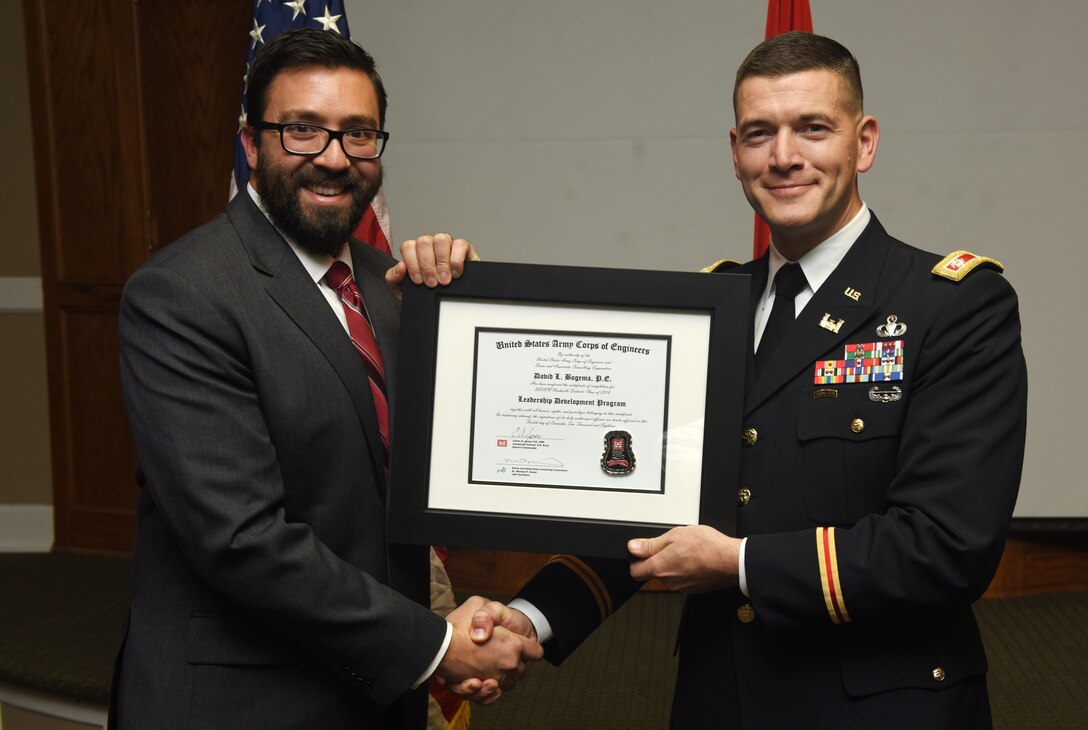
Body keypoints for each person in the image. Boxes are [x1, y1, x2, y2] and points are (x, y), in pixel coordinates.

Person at [469, 31, 1028, 728]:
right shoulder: (709, 308)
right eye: (760, 133)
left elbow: (947, 546)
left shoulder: (951, 304)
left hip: (881, 707)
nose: (784, 156)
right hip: (721, 697)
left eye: (813, 128)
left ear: (865, 142)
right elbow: (642, 509)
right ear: (735, 153)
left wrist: (738, 564)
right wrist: (534, 618)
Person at [109, 28, 541, 730]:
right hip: (242, 704)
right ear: (251, 145)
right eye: (302, 131)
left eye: (358, 134)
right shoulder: (183, 294)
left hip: (373, 694)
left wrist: (468, 313)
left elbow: (437, 471)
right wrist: (437, 646)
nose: (334, 158)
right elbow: (241, 538)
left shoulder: (392, 286)